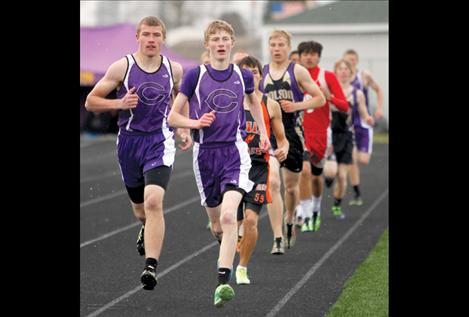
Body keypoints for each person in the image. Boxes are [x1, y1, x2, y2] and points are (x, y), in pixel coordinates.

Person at [167, 20, 271, 308]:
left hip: (235, 154)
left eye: (226, 38)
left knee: (229, 217)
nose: (221, 43)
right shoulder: (195, 76)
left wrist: (262, 133)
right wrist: (194, 123)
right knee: (217, 224)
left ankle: (222, 282)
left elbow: (254, 103)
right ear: (208, 44)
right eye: (216, 39)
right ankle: (223, 243)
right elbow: (173, 118)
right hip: (204, 156)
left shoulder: (242, 75)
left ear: (232, 43)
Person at [85, 16, 189, 291]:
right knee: (141, 209)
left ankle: (151, 266)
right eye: (147, 34)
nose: (152, 39)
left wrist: (184, 129)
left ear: (163, 39)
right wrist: (120, 102)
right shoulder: (122, 66)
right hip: (129, 143)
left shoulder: (174, 69)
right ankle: (145, 226)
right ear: (138, 38)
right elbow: (90, 101)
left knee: (154, 201)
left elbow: (182, 99)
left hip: (160, 140)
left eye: (156, 35)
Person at [260, 29, 325, 250]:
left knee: (290, 187)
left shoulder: (297, 71)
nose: (277, 49)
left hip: (293, 135)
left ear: (289, 47)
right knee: (273, 183)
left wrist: (297, 105)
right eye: (273, 45)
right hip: (269, 135)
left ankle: (289, 219)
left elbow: (320, 99)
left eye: (281, 45)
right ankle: (277, 235)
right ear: (269, 47)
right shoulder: (263, 72)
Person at [235, 56, 289, 284]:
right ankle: (230, 246)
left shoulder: (270, 104)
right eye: (244, 71)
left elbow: (282, 139)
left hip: (258, 167)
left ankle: (242, 268)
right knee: (226, 224)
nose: (250, 75)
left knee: (251, 221)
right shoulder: (230, 101)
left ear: (260, 75)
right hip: (233, 167)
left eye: (254, 71)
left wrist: (283, 149)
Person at [296, 41, 349, 231]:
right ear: (300, 56)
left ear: (318, 56)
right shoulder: (293, 76)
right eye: (305, 54)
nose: (309, 57)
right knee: (303, 172)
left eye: (313, 54)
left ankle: (316, 210)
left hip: (321, 134)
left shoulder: (327, 77)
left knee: (317, 178)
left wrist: (329, 97)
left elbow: (344, 106)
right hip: (300, 134)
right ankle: (306, 214)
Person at [329, 58, 374, 217]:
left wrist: (368, 118)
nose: (343, 71)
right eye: (340, 69)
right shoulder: (329, 91)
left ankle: (336, 204)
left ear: (351, 72)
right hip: (330, 137)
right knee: (329, 173)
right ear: (335, 72)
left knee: (342, 176)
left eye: (346, 69)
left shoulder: (357, 93)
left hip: (347, 137)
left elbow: (363, 113)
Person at [343, 49, 384, 205]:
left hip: (364, 122)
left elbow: (379, 90)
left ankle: (347, 170)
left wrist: (379, 108)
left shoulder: (364, 76)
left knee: (363, 160)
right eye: (347, 60)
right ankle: (356, 193)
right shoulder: (341, 78)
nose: (350, 63)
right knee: (352, 159)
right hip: (348, 125)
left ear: (357, 61)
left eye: (353, 60)